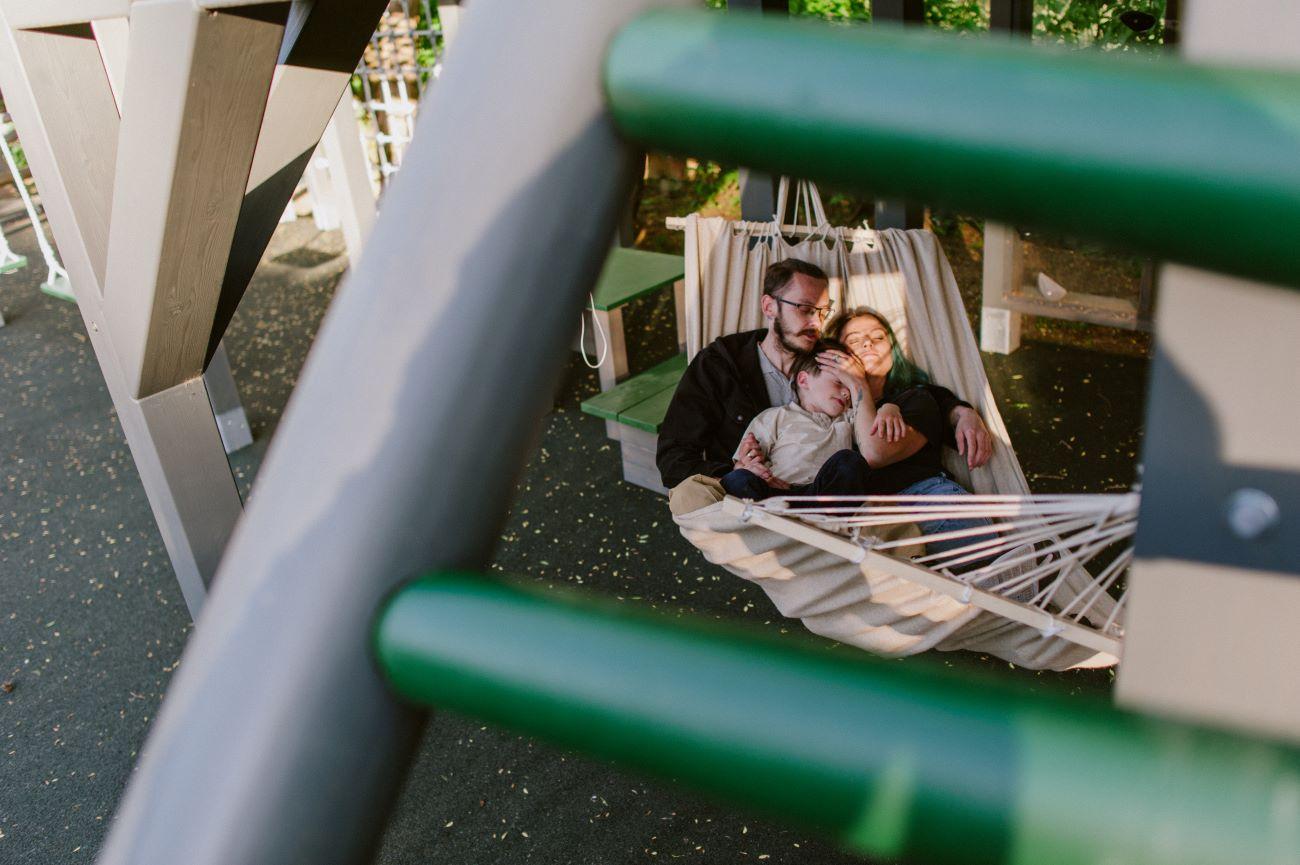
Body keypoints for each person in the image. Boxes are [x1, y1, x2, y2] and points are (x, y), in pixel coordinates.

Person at [657, 257, 992, 495]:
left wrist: (959, 410)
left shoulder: (826, 358)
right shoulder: (720, 364)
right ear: (769, 306)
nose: (816, 323)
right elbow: (674, 458)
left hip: (826, 496)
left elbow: (894, 387)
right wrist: (734, 471)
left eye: (823, 311)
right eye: (805, 309)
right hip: (752, 499)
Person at [816, 305, 995, 558]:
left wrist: (859, 386)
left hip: (926, 503)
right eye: (854, 340)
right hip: (864, 519)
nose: (868, 344)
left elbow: (875, 454)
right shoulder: (829, 409)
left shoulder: (915, 399)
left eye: (878, 337)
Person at [719, 339, 905, 501]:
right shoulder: (776, 416)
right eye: (838, 382)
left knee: (850, 461)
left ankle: (820, 516)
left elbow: (870, 437)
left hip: (821, 494)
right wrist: (750, 465)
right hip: (775, 491)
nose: (846, 393)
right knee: (737, 479)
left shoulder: (848, 418)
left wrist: (889, 408)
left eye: (850, 387)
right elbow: (744, 461)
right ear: (803, 380)